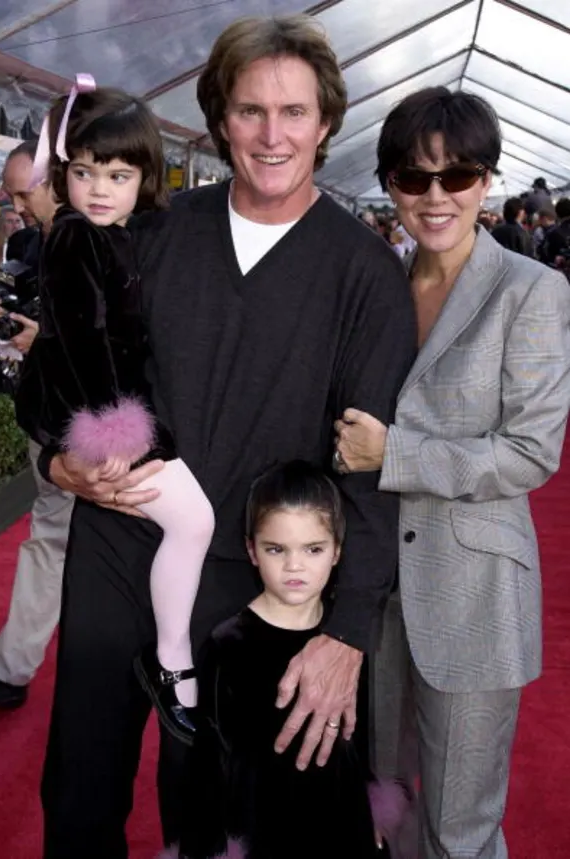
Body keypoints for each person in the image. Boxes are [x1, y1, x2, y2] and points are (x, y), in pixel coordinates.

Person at [36, 15, 416, 858]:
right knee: (78, 786)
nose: (271, 135)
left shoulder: (366, 276)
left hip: (249, 586)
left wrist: (347, 627)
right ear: (218, 119)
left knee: (210, 814)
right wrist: (59, 461)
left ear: (326, 123)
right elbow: (67, 363)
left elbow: (371, 475)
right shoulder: (151, 232)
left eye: (293, 113)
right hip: (113, 546)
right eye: (250, 111)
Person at [334, 86, 570, 859]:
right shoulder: (379, 283)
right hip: (374, 587)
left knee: (461, 827)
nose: (435, 196)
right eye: (412, 177)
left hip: (473, 595)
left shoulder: (531, 291)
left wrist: (393, 455)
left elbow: (532, 450)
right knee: (389, 805)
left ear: (487, 180)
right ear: (390, 184)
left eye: (457, 175)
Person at [16, 78, 215, 740]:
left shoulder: (113, 235)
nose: (100, 188)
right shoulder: (78, 239)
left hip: (108, 416)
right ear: (64, 172)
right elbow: (84, 344)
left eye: (118, 174)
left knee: (189, 524)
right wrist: (121, 432)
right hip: (104, 423)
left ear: (143, 178)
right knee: (193, 521)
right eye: (84, 172)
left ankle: (171, 658)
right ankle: (171, 660)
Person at [167, 461, 405, 859]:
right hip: (265, 832)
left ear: (337, 553)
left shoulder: (347, 646)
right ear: (252, 551)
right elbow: (208, 766)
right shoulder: (228, 645)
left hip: (342, 824)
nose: (295, 566)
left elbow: (362, 737)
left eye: (313, 549)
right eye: (276, 549)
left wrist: (372, 808)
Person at [0, 141, 74, 710]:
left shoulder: (105, 241)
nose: (17, 204)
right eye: (12, 193)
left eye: (27, 192)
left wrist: (40, 340)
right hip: (42, 417)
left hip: (97, 427)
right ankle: (10, 669)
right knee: (50, 537)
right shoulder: (27, 240)